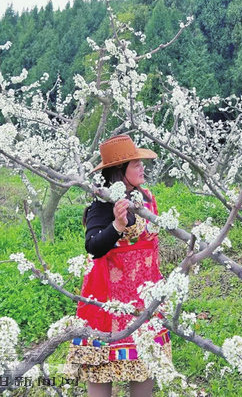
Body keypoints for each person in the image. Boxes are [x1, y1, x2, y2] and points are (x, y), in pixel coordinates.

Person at [66, 135, 169, 397]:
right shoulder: (104, 204)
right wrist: (117, 226)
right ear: (120, 171)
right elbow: (93, 246)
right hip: (110, 299)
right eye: (136, 164)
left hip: (144, 295)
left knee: (146, 362)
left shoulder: (145, 197)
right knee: (101, 364)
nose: (142, 168)